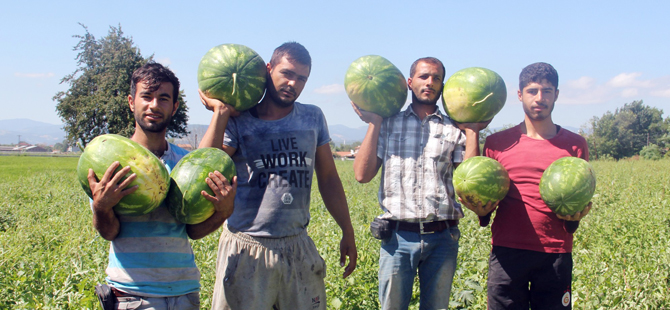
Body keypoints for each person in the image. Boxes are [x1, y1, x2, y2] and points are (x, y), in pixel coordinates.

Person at [198, 41, 358, 310]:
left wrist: (348, 230)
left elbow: (329, 178)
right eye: (287, 73)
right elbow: (203, 167)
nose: (293, 84)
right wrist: (221, 113)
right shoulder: (240, 120)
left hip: (297, 245)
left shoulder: (312, 118)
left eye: (301, 78)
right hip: (246, 246)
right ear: (268, 69)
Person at [87, 62, 236, 310]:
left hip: (184, 293)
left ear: (174, 107)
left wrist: (223, 212)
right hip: (131, 295)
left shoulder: (185, 163)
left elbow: (193, 231)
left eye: (163, 98)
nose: (154, 105)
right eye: (146, 96)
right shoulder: (112, 162)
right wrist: (101, 207)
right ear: (131, 101)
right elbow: (109, 232)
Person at [351, 57, 489, 310]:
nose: (430, 82)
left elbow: (471, 180)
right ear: (409, 82)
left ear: (443, 86)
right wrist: (374, 122)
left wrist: (472, 132)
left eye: (436, 78)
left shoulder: (453, 130)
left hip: (442, 237)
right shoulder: (388, 124)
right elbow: (362, 174)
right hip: (398, 238)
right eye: (424, 76)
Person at [462, 62, 592, 309]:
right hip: (507, 252)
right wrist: (482, 212)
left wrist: (575, 216)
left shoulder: (575, 145)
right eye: (532, 91)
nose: (540, 98)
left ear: (557, 95)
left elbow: (577, 196)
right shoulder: (496, 143)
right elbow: (488, 194)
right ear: (520, 94)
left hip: (556, 253)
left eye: (547, 91)